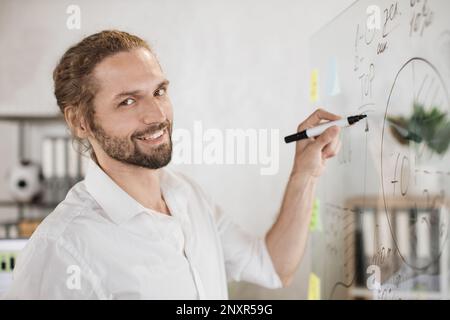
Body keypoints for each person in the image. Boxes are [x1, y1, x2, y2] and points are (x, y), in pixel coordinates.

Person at [4, 30, 341, 299]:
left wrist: (304, 172)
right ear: (80, 121)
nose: (156, 115)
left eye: (160, 91)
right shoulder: (60, 250)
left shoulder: (188, 195)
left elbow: (272, 267)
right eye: (128, 101)